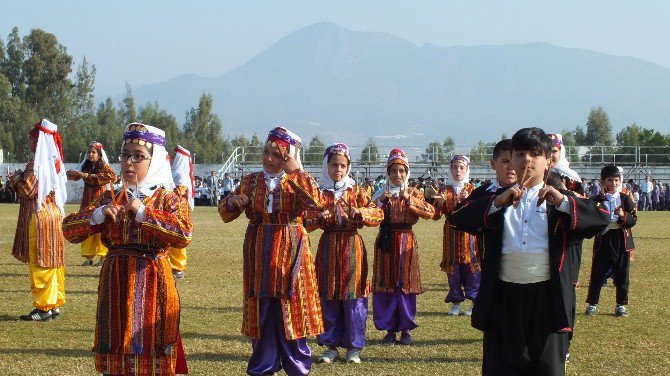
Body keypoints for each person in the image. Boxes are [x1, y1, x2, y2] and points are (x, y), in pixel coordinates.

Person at [449, 127, 609, 375]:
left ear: (548, 161)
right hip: (503, 297)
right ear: (511, 160)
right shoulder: (497, 200)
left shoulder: (562, 200)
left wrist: (564, 203)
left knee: (547, 369)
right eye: (520, 153)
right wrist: (496, 203)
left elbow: (601, 219)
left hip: (548, 298)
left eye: (535, 154)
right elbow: (457, 218)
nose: (527, 160)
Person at [63, 122, 192, 375]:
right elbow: (69, 231)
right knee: (114, 340)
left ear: (154, 161)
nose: (129, 162)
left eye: (138, 156)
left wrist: (144, 213)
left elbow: (183, 233)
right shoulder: (109, 197)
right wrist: (97, 217)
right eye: (125, 155)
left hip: (152, 280)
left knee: (150, 344)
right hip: (114, 281)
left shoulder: (168, 198)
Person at [219, 127, 324, 376]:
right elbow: (225, 213)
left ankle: (297, 367)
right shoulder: (251, 181)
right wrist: (233, 203)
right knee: (263, 310)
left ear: (288, 158)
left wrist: (295, 171)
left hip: (291, 251)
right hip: (259, 252)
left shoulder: (298, 180)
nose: (268, 159)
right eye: (266, 152)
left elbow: (317, 202)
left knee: (291, 309)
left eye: (276, 155)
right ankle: (262, 366)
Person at [304, 143, 383, 364]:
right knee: (328, 296)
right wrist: (321, 217)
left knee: (354, 298)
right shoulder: (319, 193)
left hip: (352, 247)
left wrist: (360, 213)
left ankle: (354, 347)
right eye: (333, 165)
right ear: (326, 166)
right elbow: (305, 221)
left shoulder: (356, 191)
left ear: (348, 167)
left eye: (342, 165)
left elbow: (377, 214)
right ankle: (330, 346)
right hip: (328, 246)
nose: (338, 169)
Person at [371, 149, 435, 346]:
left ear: (407, 173)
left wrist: (410, 200)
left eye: (401, 171)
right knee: (387, 285)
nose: (398, 175)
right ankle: (389, 329)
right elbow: (368, 214)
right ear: (388, 173)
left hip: (407, 242)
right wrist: (381, 201)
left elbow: (430, 212)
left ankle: (406, 328)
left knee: (405, 285)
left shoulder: (414, 193)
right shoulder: (381, 194)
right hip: (386, 242)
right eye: (393, 171)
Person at [9, 119, 67, 321]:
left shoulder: (38, 164)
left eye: (32, 139)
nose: (29, 143)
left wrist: (15, 178)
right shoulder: (54, 162)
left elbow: (27, 190)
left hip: (40, 216)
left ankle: (43, 308)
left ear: (39, 141)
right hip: (53, 214)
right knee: (53, 260)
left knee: (41, 260)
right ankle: (53, 304)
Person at [585, 165, 637, 318]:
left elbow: (633, 219)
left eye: (616, 180)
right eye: (610, 180)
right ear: (603, 181)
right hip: (604, 238)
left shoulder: (625, 198)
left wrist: (622, 216)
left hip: (621, 239)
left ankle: (621, 304)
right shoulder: (597, 199)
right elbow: (591, 218)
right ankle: (592, 303)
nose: (613, 183)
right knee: (597, 272)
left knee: (622, 273)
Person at [432, 155, 479, 316]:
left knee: (472, 268)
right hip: (451, 233)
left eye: (461, 167)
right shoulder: (444, 190)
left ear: (467, 170)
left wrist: (470, 202)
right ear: (450, 169)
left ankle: (474, 301)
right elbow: (436, 216)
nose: (457, 171)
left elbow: (479, 213)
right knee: (453, 269)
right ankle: (456, 302)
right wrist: (438, 204)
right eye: (454, 167)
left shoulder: (473, 189)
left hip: (469, 234)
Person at [67, 141, 117, 267]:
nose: (90, 154)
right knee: (87, 225)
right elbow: (76, 176)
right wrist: (72, 174)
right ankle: (88, 257)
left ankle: (102, 256)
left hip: (100, 199)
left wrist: (89, 176)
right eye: (89, 152)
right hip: (87, 199)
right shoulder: (85, 165)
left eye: (93, 152)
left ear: (99, 154)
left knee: (101, 226)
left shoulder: (104, 166)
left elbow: (113, 177)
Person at [169, 145, 195, 280]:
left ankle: (178, 268)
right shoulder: (175, 172)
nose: (171, 158)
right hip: (172, 210)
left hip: (178, 212)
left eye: (173, 157)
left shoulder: (180, 175)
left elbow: (178, 194)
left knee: (177, 238)